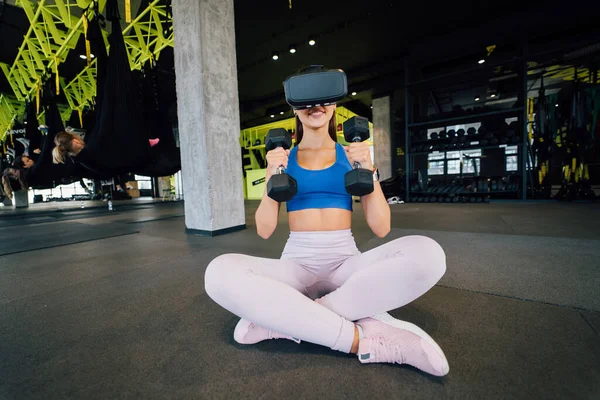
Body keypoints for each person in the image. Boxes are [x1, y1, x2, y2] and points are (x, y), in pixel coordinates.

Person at [204, 87, 450, 376]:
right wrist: (273, 174)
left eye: (324, 97)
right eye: (307, 100)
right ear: (295, 107)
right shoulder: (284, 158)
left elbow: (381, 228)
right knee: (218, 273)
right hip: (297, 265)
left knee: (428, 254)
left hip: (345, 262)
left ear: (334, 103)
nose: (316, 105)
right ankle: (361, 339)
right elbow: (265, 230)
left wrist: (368, 169)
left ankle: (289, 318)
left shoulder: (351, 154)